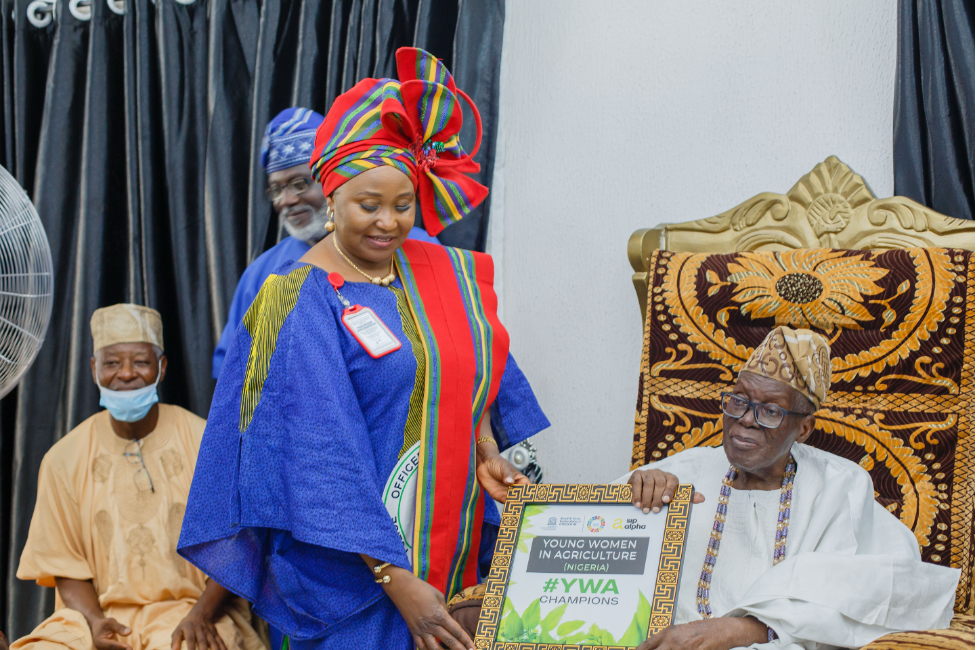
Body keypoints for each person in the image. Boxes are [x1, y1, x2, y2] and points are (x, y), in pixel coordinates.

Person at [178, 47, 550, 650]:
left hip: (453, 556)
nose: (388, 222)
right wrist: (396, 579)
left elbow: (474, 374)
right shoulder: (296, 298)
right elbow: (317, 456)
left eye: (403, 205)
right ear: (333, 199)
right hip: (352, 582)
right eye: (368, 205)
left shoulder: (438, 272)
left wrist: (484, 448)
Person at [622, 326, 959, 650]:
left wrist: (745, 628)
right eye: (738, 400)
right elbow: (585, 535)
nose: (746, 419)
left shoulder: (841, 486)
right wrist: (634, 497)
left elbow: (897, 588)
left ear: (804, 429)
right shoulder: (680, 473)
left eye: (770, 410)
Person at [12, 305, 263, 650]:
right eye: (112, 363)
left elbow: (236, 546)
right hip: (99, 617)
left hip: (192, 612)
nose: (126, 374)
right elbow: (64, 565)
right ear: (93, 368)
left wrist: (200, 615)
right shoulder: (62, 459)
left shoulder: (206, 442)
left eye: (141, 362)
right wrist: (96, 624)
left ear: (161, 368)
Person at [212, 107, 440, 379]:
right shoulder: (263, 273)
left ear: (333, 182)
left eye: (298, 184)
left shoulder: (422, 251)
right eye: (276, 189)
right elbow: (235, 375)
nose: (286, 200)